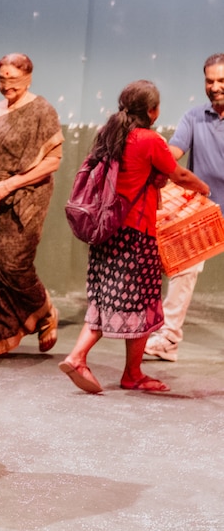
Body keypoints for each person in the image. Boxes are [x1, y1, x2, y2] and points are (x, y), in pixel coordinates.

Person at [59, 80, 209, 394]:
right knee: (141, 302)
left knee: (106, 298)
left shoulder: (109, 133)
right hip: (135, 234)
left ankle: (131, 373)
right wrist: (202, 188)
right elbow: (177, 174)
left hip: (106, 231)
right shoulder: (149, 139)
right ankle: (79, 356)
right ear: (152, 111)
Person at [0, 53, 63, 357]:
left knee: (13, 266)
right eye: (3, 78)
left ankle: (43, 310)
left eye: (13, 79)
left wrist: (8, 185)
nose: (7, 85)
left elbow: (53, 161)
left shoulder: (42, 111)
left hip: (25, 199)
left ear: (28, 78)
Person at [144, 53, 224, 362]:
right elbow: (174, 151)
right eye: (210, 80)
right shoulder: (194, 117)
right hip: (201, 211)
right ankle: (168, 340)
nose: (214, 87)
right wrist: (150, 156)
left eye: (221, 81)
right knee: (184, 268)